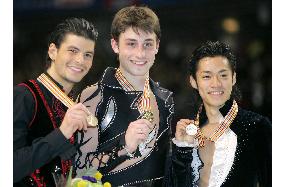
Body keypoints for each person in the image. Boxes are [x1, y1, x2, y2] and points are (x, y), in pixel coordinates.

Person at [75, 5, 174, 186]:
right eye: (131, 44)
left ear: (157, 46)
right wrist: (124, 147)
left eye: (148, 44)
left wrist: (185, 147)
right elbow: (80, 170)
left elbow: (165, 169)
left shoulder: (165, 98)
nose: (140, 53)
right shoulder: (94, 97)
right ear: (115, 45)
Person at [166, 41, 271, 187]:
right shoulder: (186, 134)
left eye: (223, 75)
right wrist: (183, 149)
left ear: (233, 78)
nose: (216, 83)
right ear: (193, 81)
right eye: (207, 76)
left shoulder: (257, 126)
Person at [13, 17, 98, 186]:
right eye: (73, 51)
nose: (81, 60)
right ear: (52, 51)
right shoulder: (24, 95)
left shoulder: (77, 103)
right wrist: (62, 133)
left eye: (87, 54)